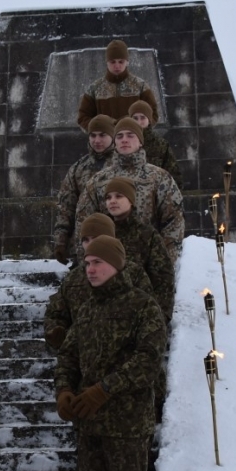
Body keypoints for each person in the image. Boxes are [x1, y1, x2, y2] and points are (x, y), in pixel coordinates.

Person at [55, 237, 165, 471]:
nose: (90, 268)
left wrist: (105, 389)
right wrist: (65, 391)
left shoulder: (142, 306)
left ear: (116, 265)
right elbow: (67, 355)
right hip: (89, 428)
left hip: (127, 426)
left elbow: (149, 361)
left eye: (98, 262)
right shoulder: (85, 308)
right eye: (87, 262)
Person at [44, 213, 155, 471]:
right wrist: (58, 333)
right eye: (85, 244)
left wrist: (108, 388)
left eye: (97, 244)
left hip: (124, 404)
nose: (90, 254)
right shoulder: (78, 283)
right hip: (88, 398)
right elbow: (59, 317)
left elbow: (147, 348)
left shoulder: (133, 281)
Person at [78, 118, 187, 261]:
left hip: (149, 259)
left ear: (140, 141)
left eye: (130, 135)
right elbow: (84, 222)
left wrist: (164, 259)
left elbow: (173, 221)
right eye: (119, 136)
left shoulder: (159, 177)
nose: (124, 140)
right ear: (114, 141)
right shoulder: (98, 181)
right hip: (107, 263)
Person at [97, 177, 174, 322]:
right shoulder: (100, 233)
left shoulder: (147, 235)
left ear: (131, 200)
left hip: (137, 315)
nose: (112, 201)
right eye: (108, 197)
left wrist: (159, 316)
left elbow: (163, 278)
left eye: (119, 196)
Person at [52, 114, 116, 264]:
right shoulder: (78, 169)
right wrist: (61, 241)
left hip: (116, 242)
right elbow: (66, 207)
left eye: (102, 135)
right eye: (92, 135)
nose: (97, 140)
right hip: (84, 246)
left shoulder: (123, 165)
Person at [76, 39, 160, 131]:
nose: (117, 66)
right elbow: (83, 117)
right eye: (113, 62)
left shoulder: (141, 86)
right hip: (106, 143)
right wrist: (99, 131)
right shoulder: (94, 89)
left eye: (121, 62)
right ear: (107, 62)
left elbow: (153, 113)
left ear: (127, 62)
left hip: (135, 142)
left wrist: (140, 132)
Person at [128, 99, 181, 185]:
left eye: (142, 118)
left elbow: (173, 174)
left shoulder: (160, 144)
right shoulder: (123, 142)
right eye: (135, 118)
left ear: (149, 120)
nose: (138, 122)